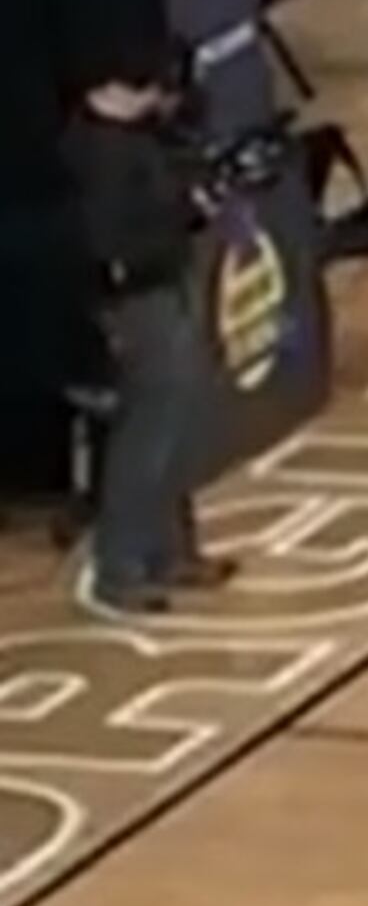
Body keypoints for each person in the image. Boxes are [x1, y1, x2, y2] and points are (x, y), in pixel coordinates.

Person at [62, 58, 234, 615]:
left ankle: (171, 551)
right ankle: (121, 567)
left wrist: (194, 201)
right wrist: (184, 210)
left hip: (167, 285)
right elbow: (114, 244)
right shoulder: (94, 153)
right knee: (148, 431)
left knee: (179, 422)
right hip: (137, 301)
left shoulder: (137, 138)